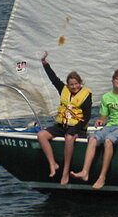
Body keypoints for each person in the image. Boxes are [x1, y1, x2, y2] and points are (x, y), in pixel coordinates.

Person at [70, 68, 118, 189]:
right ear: (112, 80)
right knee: (93, 139)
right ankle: (85, 172)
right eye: (116, 79)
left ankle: (102, 177)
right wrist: (100, 120)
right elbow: (104, 117)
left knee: (108, 140)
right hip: (111, 125)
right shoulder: (106, 97)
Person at [36, 51, 92, 185]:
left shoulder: (86, 96)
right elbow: (53, 78)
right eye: (71, 84)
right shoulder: (63, 90)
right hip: (62, 125)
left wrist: (75, 129)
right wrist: (44, 63)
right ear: (68, 85)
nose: (74, 87)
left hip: (77, 128)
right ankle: (52, 163)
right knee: (42, 135)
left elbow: (87, 116)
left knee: (69, 137)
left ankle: (65, 171)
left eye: (76, 84)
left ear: (80, 83)